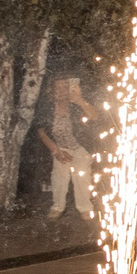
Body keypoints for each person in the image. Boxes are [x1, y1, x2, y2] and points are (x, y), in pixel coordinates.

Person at [35, 75, 94, 220]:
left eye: (65, 87)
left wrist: (80, 101)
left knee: (82, 175)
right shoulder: (47, 107)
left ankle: (85, 208)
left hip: (80, 147)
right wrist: (57, 152)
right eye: (58, 87)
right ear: (52, 90)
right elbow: (41, 132)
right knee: (59, 175)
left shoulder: (76, 105)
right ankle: (57, 206)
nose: (62, 91)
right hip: (60, 147)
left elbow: (95, 116)